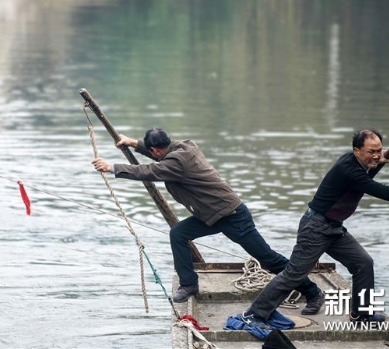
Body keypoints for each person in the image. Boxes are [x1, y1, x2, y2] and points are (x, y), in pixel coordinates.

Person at [91, 127, 325, 314]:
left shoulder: (175, 163)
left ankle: (313, 292)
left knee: (268, 258)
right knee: (179, 234)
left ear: (156, 150)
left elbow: (150, 171)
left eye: (153, 151)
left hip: (232, 216)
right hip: (210, 215)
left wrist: (112, 167)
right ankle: (189, 284)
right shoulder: (183, 146)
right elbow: (158, 157)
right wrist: (132, 142)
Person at [241, 129, 389, 327]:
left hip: (334, 228)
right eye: (371, 151)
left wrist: (376, 159)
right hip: (316, 227)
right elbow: (384, 192)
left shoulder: (359, 163)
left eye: (379, 150)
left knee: (363, 262)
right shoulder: (349, 169)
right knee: (294, 274)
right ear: (356, 150)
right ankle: (254, 314)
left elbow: (371, 168)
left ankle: (361, 315)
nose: (377, 155)